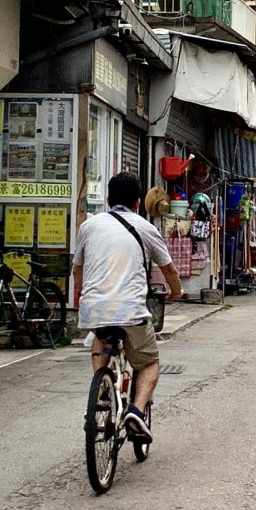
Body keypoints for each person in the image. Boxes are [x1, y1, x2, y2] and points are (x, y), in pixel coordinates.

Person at [72, 172, 183, 442]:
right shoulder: (146, 228)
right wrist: (175, 292)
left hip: (95, 307)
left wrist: (81, 297)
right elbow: (168, 269)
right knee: (148, 363)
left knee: (100, 340)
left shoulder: (89, 226)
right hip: (131, 310)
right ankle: (136, 409)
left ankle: (101, 388)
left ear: (108, 199)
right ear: (137, 203)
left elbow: (78, 269)